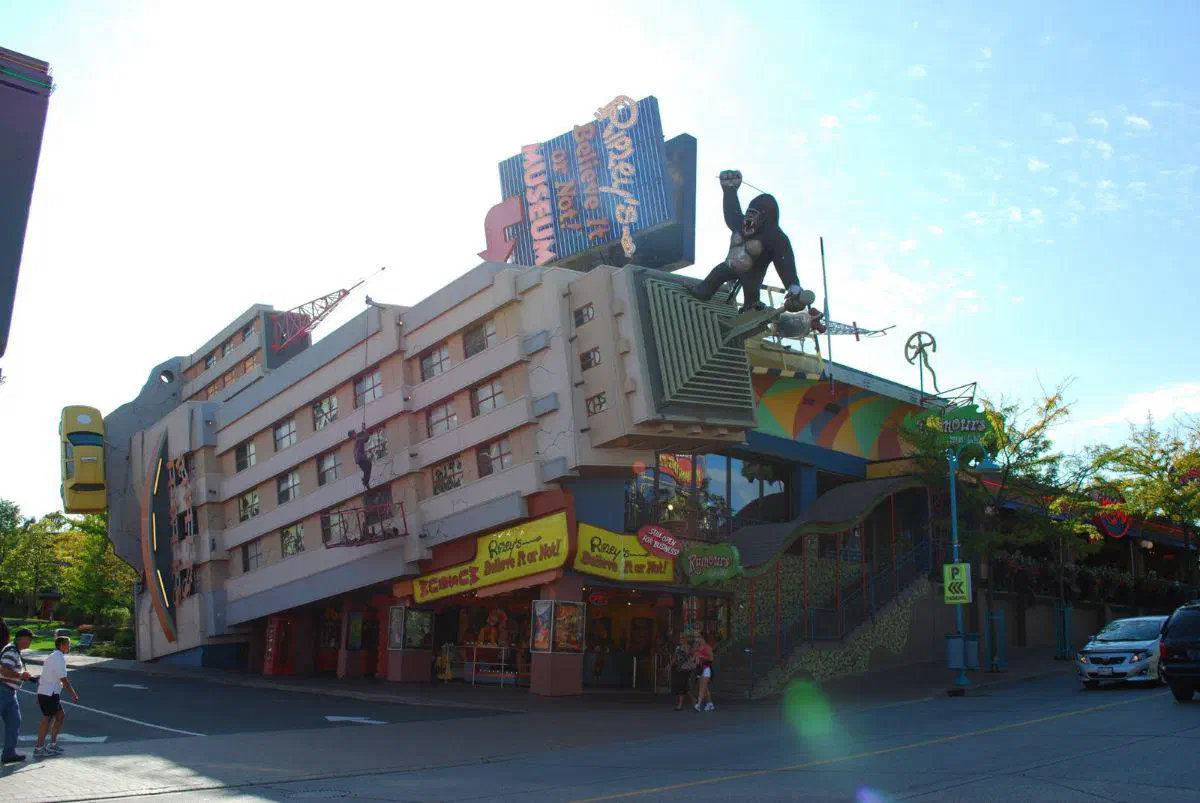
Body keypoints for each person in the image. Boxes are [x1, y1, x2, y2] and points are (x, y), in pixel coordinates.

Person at [34, 636, 78, 759]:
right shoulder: (58, 658)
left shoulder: (53, 656)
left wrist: (38, 693)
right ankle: (39, 748)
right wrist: (73, 694)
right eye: (68, 644)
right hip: (49, 693)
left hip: (48, 692)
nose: (70, 646)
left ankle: (52, 744)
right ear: (62, 645)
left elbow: (44, 676)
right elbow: (63, 679)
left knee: (60, 715)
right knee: (47, 720)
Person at [1, 625, 34, 765]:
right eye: (30, 639)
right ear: (22, 639)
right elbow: (3, 670)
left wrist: (29, 678)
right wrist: (20, 675)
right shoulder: (11, 651)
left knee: (14, 722)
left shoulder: (14, 650)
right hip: (3, 690)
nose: (31, 642)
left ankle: (9, 753)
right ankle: (9, 753)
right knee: (13, 722)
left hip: (9, 692)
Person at [671, 632, 696, 711]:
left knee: (682, 686)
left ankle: (681, 705)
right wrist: (670, 665)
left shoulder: (688, 648)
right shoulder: (678, 648)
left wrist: (692, 662)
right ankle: (693, 700)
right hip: (679, 668)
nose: (681, 639)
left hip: (686, 669)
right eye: (680, 638)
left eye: (682, 638)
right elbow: (674, 657)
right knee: (684, 686)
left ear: (686, 639)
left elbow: (694, 657)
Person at [693, 633, 715, 712]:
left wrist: (701, 656)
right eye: (696, 637)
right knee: (704, 687)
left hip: (706, 668)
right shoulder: (698, 647)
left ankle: (698, 704)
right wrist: (695, 660)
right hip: (699, 669)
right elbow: (696, 658)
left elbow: (711, 659)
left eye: (698, 637)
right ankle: (710, 703)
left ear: (703, 638)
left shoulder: (707, 647)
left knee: (702, 688)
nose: (697, 639)